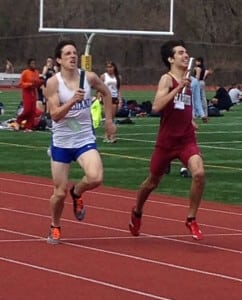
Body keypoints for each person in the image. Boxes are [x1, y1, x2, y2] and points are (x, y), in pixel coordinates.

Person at [129, 40, 205, 240]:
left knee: (199, 173)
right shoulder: (167, 79)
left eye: (186, 52)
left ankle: (191, 218)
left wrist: (191, 121)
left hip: (186, 139)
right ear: (171, 59)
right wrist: (178, 87)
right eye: (180, 53)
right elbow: (156, 106)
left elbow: (183, 107)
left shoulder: (189, 80)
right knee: (152, 182)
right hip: (167, 141)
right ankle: (137, 211)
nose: (185, 55)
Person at [45, 39, 116, 244]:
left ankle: (77, 192)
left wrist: (109, 120)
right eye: (67, 54)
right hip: (61, 142)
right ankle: (55, 225)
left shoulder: (89, 77)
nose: (72, 56)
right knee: (59, 193)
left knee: (95, 177)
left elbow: (107, 93)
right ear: (59, 59)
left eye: (74, 53)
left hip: (84, 138)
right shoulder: (53, 83)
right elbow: (55, 115)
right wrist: (72, 101)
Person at [14, 58, 43, 131]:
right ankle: (18, 121)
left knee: (33, 111)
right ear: (29, 64)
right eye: (32, 64)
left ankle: (28, 127)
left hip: (34, 93)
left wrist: (41, 82)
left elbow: (37, 82)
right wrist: (29, 84)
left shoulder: (36, 72)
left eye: (34, 63)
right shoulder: (25, 72)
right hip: (27, 93)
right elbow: (20, 84)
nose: (34, 65)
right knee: (27, 110)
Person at [100, 61, 122, 143]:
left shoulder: (118, 77)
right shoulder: (103, 76)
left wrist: (120, 100)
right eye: (108, 67)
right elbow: (99, 88)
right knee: (108, 118)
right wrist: (99, 98)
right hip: (106, 98)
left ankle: (109, 134)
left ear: (114, 68)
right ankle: (110, 136)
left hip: (114, 97)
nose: (109, 69)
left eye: (111, 67)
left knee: (112, 118)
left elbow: (119, 89)